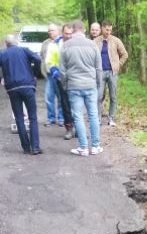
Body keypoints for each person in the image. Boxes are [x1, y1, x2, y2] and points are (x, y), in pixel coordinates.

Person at [0, 35, 43, 155]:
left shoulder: (2, 54)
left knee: (19, 118)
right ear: (16, 42)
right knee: (32, 117)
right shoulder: (24, 50)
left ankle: (26, 148)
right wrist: (34, 74)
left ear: (6, 44)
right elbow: (38, 59)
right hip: (28, 86)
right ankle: (35, 147)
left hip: (13, 88)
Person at [59, 20, 102, 156]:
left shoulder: (65, 46)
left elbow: (62, 71)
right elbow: (98, 68)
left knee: (77, 116)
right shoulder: (93, 45)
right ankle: (95, 146)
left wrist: (66, 85)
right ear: (83, 30)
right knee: (93, 115)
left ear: (73, 30)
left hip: (74, 85)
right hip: (90, 85)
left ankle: (83, 148)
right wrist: (98, 84)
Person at [94, 20, 128, 127]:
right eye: (107, 29)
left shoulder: (116, 41)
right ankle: (98, 118)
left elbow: (125, 54)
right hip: (100, 72)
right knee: (99, 96)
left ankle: (111, 118)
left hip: (112, 72)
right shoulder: (95, 41)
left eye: (110, 30)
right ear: (102, 28)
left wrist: (118, 64)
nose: (108, 32)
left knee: (113, 96)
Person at [47, 24, 75, 141]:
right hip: (61, 78)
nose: (68, 36)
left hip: (75, 78)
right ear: (62, 33)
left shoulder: (76, 43)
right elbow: (49, 61)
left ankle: (78, 128)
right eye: (66, 33)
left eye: (70, 34)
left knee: (76, 104)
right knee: (65, 104)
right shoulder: (54, 45)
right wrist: (55, 73)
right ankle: (69, 128)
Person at [42, 24, 63, 127]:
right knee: (48, 97)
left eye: (53, 30)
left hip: (59, 74)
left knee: (60, 97)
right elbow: (43, 57)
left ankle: (61, 118)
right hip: (49, 75)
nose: (50, 32)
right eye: (49, 30)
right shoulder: (45, 43)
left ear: (58, 31)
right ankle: (51, 118)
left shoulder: (62, 42)